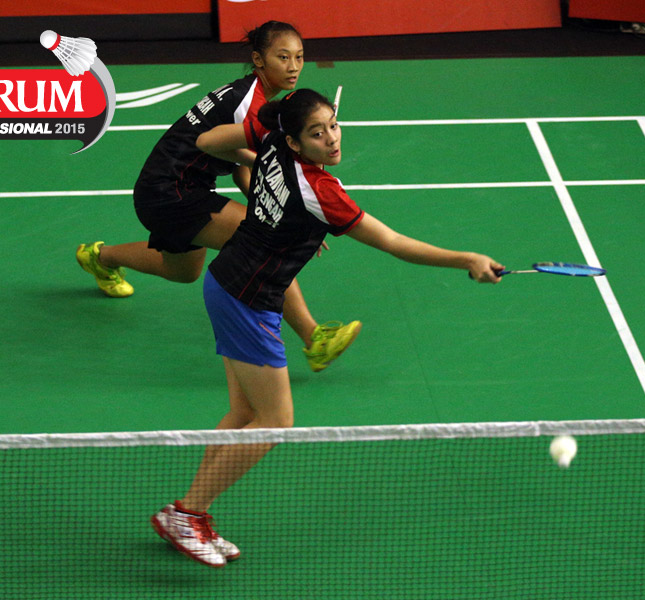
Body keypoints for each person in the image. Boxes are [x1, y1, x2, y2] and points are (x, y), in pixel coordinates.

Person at [150, 89, 504, 567]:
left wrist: (285, 213)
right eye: (317, 133)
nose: (332, 139)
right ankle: (186, 515)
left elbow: (215, 147)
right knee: (275, 422)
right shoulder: (321, 192)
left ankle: (191, 511)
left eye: (333, 126)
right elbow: (392, 242)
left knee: (243, 414)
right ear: (295, 141)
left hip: (231, 282)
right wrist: (467, 259)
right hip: (246, 299)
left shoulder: (271, 141)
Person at [76, 21, 360, 373]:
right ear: (259, 59)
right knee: (264, 244)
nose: (293, 67)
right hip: (171, 191)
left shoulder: (249, 95)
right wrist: (282, 218)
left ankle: (99, 257)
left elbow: (244, 168)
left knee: (183, 271)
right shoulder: (249, 104)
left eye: (299, 57)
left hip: (170, 188)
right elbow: (255, 166)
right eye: (283, 57)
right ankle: (314, 338)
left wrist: (273, 207)